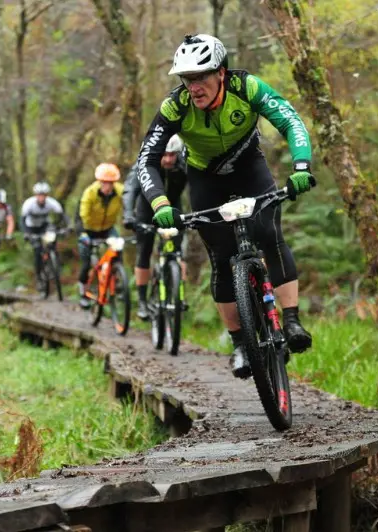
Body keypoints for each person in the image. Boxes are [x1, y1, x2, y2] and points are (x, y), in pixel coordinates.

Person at [136, 34, 315, 379]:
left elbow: (290, 120)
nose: (194, 87)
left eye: (201, 76)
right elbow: (147, 160)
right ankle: (238, 343)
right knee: (220, 256)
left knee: (269, 234)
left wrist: (302, 166)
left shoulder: (246, 87)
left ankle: (291, 321)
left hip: (250, 167)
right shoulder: (176, 106)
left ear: (221, 72)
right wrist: (160, 202)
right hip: (205, 178)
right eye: (187, 79)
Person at [123, 134, 188, 320]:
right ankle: (142, 301)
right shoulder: (145, 161)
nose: (168, 159)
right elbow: (130, 190)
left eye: (172, 155)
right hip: (147, 210)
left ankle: (179, 295)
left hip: (174, 208)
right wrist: (128, 215)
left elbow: (199, 185)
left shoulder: (184, 163)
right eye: (164, 155)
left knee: (178, 252)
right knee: (144, 251)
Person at [76, 163, 124, 308]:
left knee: (118, 249)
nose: (107, 186)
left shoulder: (121, 191)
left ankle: (117, 281)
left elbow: (131, 202)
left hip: (107, 229)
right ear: (99, 181)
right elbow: (80, 216)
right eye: (104, 182)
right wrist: (82, 234)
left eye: (110, 183)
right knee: (86, 262)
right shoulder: (89, 193)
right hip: (88, 230)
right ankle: (83, 293)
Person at [21, 182, 70, 290]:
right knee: (38, 251)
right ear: (36, 195)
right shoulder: (29, 204)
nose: (42, 197)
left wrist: (67, 227)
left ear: (47, 195)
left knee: (52, 242)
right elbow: (23, 220)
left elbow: (62, 215)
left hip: (45, 226)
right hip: (31, 227)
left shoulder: (52, 203)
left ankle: (54, 263)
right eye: (39, 195)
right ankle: (39, 277)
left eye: (44, 195)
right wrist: (26, 233)